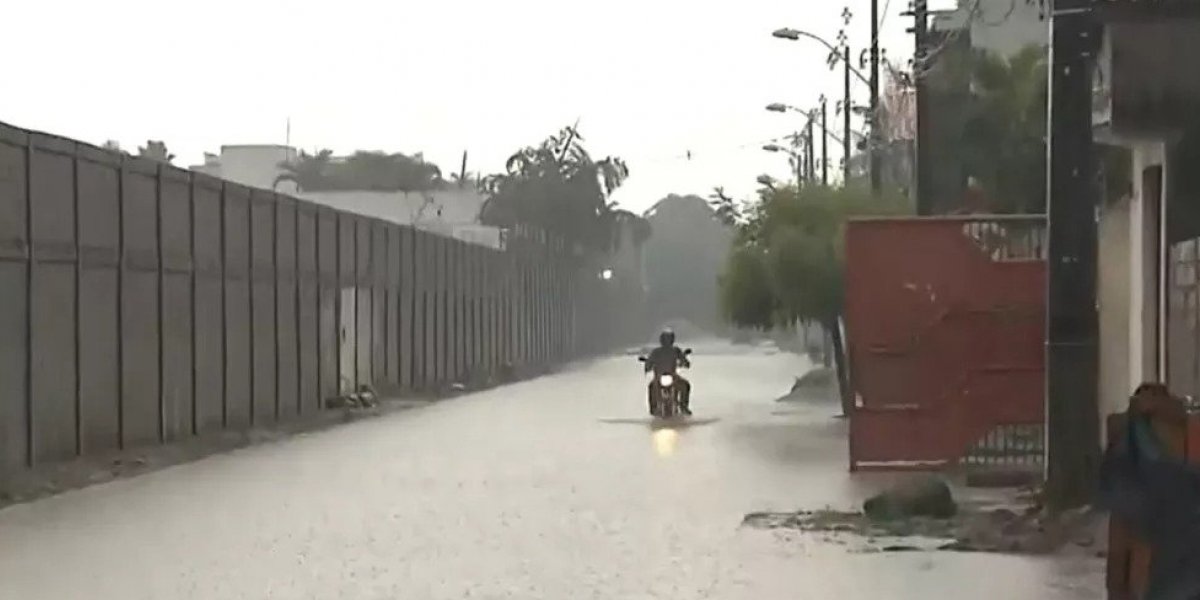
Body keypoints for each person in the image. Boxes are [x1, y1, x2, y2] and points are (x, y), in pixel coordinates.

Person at [644, 328, 692, 415]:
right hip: (659, 378)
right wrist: (647, 366)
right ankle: (653, 408)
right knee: (651, 387)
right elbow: (649, 363)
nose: (667, 341)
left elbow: (684, 361)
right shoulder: (656, 352)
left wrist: (684, 362)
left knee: (686, 385)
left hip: (673, 377)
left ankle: (683, 406)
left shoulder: (676, 351)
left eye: (668, 339)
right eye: (665, 339)